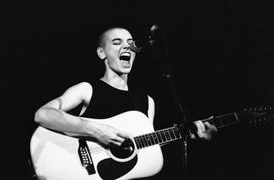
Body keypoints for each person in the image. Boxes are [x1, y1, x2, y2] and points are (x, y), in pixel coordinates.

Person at [34, 27, 217, 177]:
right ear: (101, 53)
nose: (127, 48)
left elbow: (142, 149)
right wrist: (97, 131)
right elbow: (43, 114)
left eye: (131, 44)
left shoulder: (147, 102)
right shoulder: (86, 89)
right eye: (116, 43)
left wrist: (188, 134)